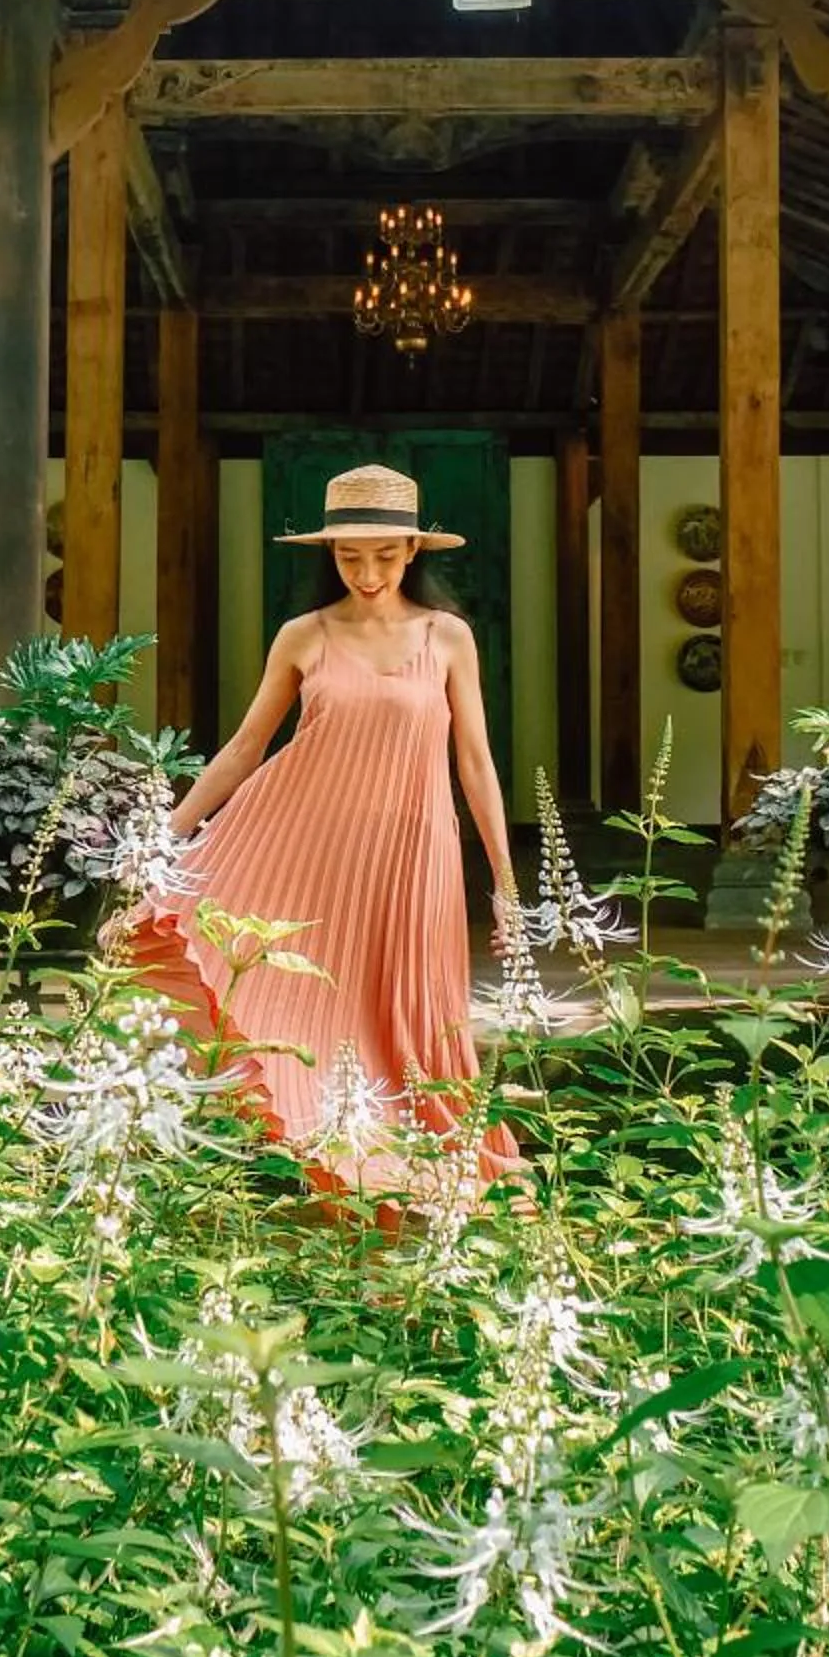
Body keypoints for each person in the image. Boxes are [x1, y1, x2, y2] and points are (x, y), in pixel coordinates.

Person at [127, 462, 523, 1199]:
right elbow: (248, 748)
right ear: (329, 555)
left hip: (415, 851)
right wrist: (162, 839)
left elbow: (475, 763)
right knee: (314, 1000)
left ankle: (440, 1165)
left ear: (413, 553)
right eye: (348, 556)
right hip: (315, 848)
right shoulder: (303, 637)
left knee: (417, 1017)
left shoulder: (449, 638)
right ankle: (334, 1156)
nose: (366, 572)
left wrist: (504, 884)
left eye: (382, 555)